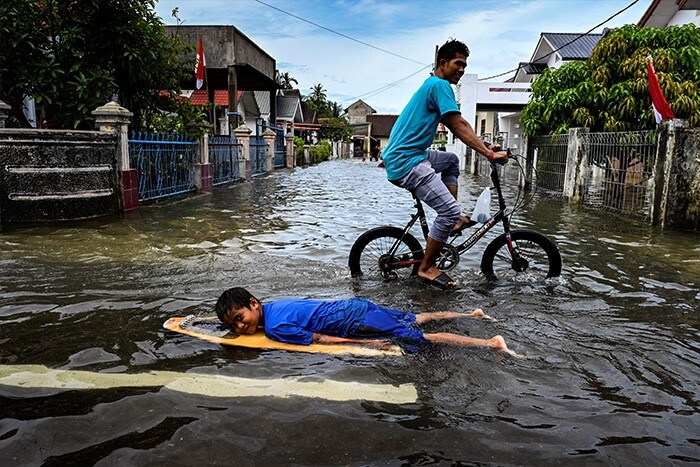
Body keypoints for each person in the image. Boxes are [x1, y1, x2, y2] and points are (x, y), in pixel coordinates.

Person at [381, 39, 509, 290]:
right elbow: (457, 125)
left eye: (465, 65)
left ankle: (452, 218)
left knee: (451, 160)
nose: (461, 69)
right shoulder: (440, 85)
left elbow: (460, 124)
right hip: (407, 160)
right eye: (458, 64)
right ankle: (426, 267)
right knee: (447, 211)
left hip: (411, 153)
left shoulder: (433, 85)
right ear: (443, 63)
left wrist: (485, 146)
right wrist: (489, 155)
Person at [215, 287, 522, 357]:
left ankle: (490, 343)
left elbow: (321, 339)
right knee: (413, 317)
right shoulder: (277, 305)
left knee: (419, 339)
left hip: (353, 321)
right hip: (356, 305)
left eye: (240, 319)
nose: (241, 328)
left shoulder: (275, 328)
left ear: (254, 305)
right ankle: (473, 315)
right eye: (235, 327)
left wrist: (366, 343)